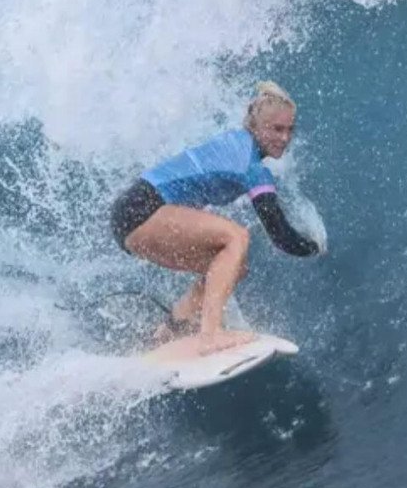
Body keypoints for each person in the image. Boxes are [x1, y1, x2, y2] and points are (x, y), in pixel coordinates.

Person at [108, 81, 322, 355]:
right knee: (236, 236)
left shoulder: (236, 142)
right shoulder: (252, 167)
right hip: (142, 208)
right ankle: (211, 335)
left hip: (132, 215)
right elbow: (280, 235)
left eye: (290, 130)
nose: (284, 138)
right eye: (276, 129)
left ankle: (171, 329)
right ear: (255, 127)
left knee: (233, 267)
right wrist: (316, 248)